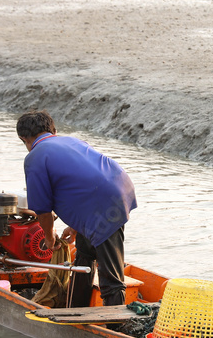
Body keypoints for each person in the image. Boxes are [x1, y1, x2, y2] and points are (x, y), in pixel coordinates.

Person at [17, 111, 137, 307]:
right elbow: (81, 185)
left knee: (110, 274)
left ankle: (115, 327)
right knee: (85, 253)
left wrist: (48, 237)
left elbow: (43, 210)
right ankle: (76, 308)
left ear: (24, 139)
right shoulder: (72, 141)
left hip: (104, 202)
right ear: (53, 131)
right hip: (119, 187)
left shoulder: (35, 157)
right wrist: (75, 228)